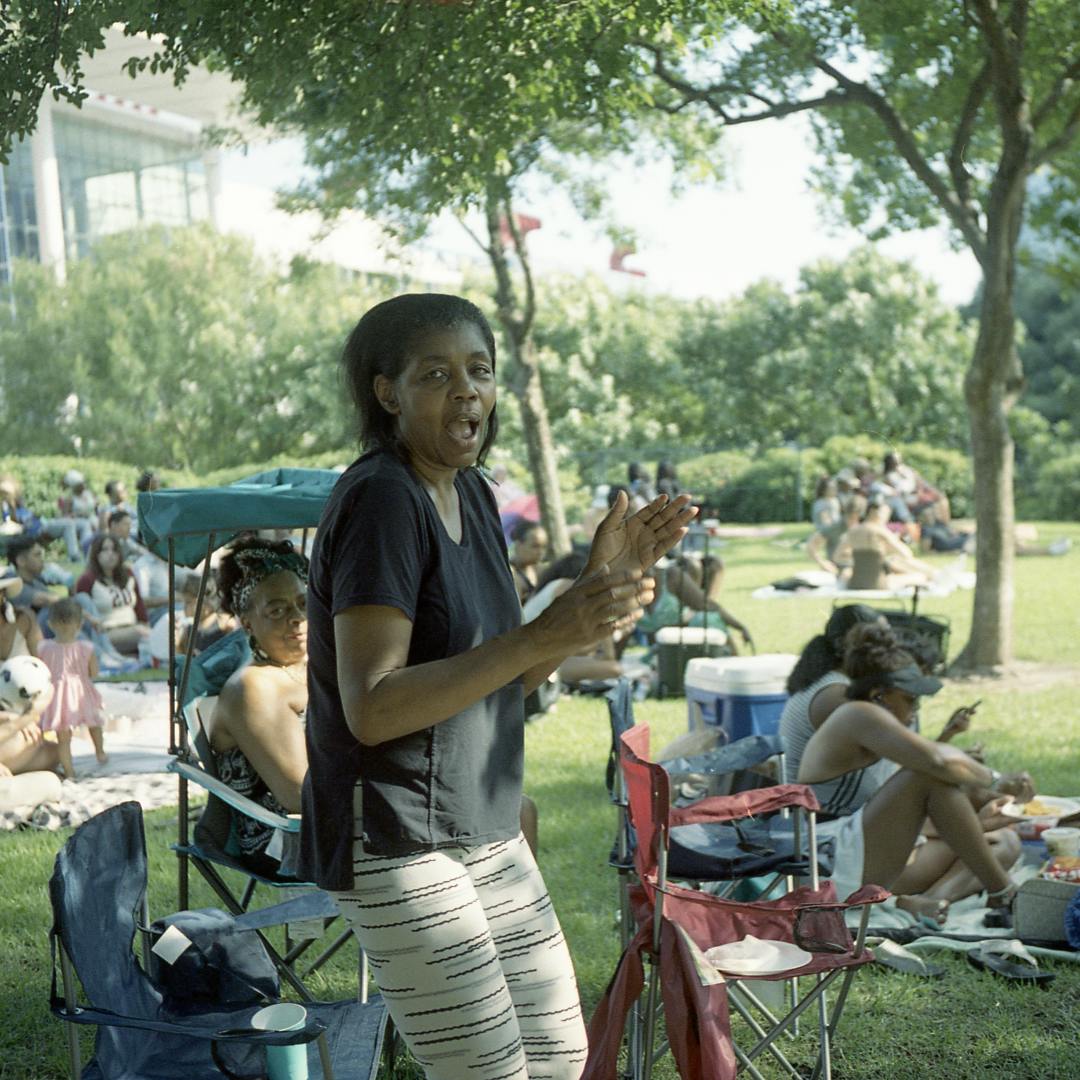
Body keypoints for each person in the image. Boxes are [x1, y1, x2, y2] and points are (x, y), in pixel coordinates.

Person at [300, 292, 694, 1080]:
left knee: (558, 1057)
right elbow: (373, 707)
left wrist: (593, 595)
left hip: (481, 823)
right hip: (396, 833)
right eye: (437, 374)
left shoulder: (474, 493)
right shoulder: (382, 500)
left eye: (478, 371)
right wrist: (543, 632)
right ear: (388, 393)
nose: (466, 391)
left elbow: (504, 678)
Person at [788, 620, 1027, 925]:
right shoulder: (857, 714)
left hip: (859, 849)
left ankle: (925, 902)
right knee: (928, 777)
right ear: (879, 694)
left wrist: (982, 802)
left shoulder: (875, 721)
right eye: (910, 699)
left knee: (1004, 843)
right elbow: (936, 763)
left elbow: (914, 790)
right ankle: (1006, 893)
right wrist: (996, 779)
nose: (916, 708)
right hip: (827, 858)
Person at [205, 536, 309, 877]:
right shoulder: (252, 687)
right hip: (285, 841)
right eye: (277, 610)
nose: (296, 618)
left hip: (342, 821)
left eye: (303, 604)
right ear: (247, 622)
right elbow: (298, 795)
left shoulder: (315, 667)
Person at [37, 598, 107, 779]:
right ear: (80, 624)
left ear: (50, 624)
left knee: (63, 737)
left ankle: (69, 772)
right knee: (94, 723)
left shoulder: (43, 648)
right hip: (81, 693)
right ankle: (100, 751)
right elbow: (94, 672)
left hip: (57, 697)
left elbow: (41, 672)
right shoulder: (86, 647)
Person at [75, 535, 151, 657]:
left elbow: (140, 607)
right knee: (144, 635)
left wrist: (145, 625)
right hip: (107, 633)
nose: (110, 554)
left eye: (114, 550)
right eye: (105, 550)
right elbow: (80, 609)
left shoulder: (128, 574)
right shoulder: (87, 580)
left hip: (134, 628)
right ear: (96, 554)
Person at [508, 518, 548, 603]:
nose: (541, 552)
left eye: (543, 547)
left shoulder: (541, 571)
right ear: (519, 545)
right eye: (535, 546)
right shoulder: (509, 574)